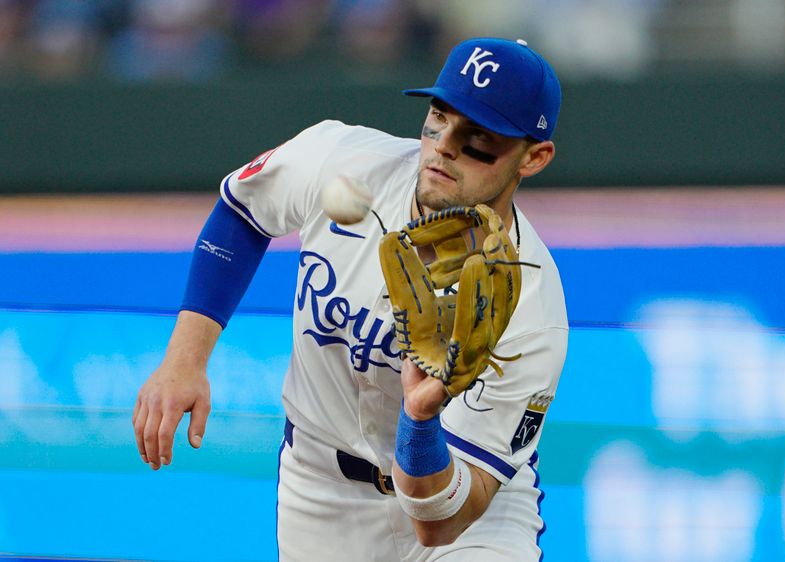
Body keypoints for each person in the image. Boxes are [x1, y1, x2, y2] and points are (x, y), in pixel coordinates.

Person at [133, 37, 568, 561]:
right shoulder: (343, 160)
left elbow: (443, 523)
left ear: (535, 157)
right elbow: (242, 212)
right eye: (438, 117)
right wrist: (184, 360)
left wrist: (420, 421)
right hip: (319, 493)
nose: (444, 145)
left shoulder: (531, 307)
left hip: (465, 514)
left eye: (478, 136)